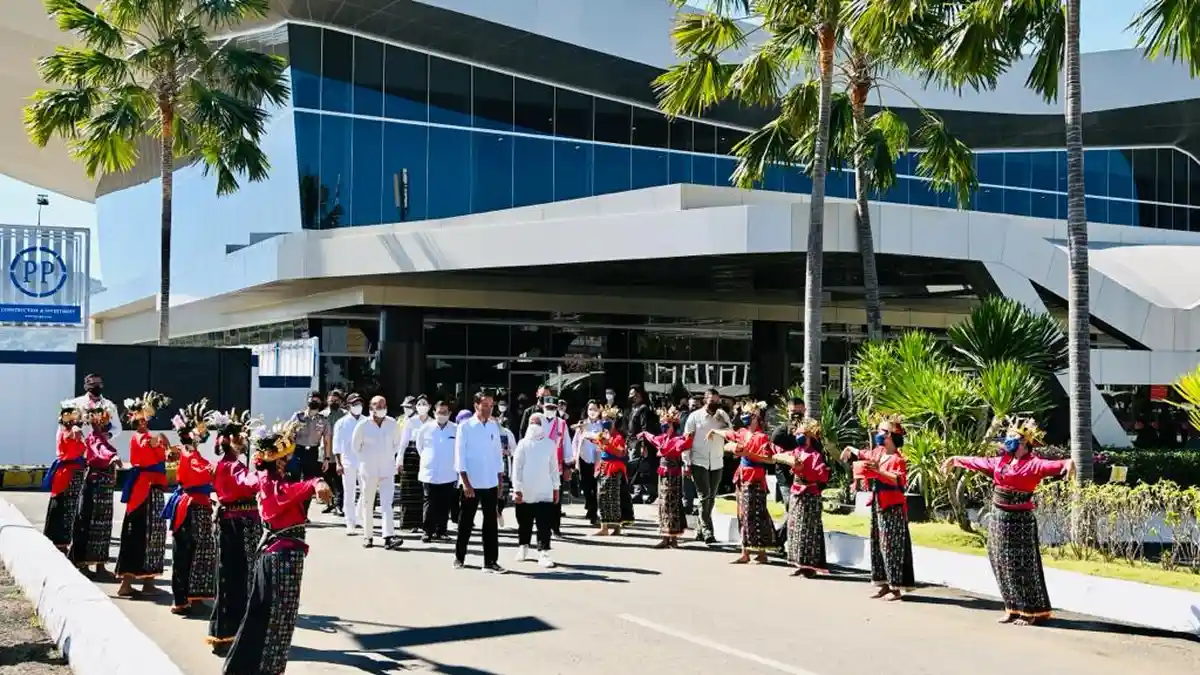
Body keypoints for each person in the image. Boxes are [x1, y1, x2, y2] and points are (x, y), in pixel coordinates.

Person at [222, 420, 333, 675]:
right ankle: (268, 670)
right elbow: (289, 493)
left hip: (276, 554)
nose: (289, 461)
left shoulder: (266, 478)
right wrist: (316, 482)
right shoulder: (274, 485)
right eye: (286, 457)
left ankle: (255, 668)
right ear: (279, 461)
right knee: (278, 618)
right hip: (282, 557)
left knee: (267, 615)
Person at [943, 418, 1073, 625]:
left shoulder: (1034, 464)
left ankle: (1031, 611)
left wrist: (1068, 464)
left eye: (1013, 437)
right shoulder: (1001, 462)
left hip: (1019, 521)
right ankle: (1012, 607)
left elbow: (1056, 465)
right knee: (1000, 562)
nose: (1007, 441)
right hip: (998, 518)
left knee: (1021, 565)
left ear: (1024, 442)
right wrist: (957, 459)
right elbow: (979, 462)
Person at [206, 409, 261, 655]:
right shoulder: (234, 467)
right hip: (240, 525)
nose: (245, 441)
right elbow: (251, 485)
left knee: (229, 577)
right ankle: (235, 634)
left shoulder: (223, 464)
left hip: (230, 523)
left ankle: (224, 633)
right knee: (242, 577)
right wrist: (263, 469)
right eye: (242, 437)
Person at [841, 415, 914, 601]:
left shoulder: (897, 459)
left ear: (890, 435)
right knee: (877, 544)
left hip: (892, 506)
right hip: (878, 503)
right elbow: (863, 454)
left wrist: (877, 472)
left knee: (891, 546)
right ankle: (883, 584)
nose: (878, 434)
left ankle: (895, 587)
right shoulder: (879, 453)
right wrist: (850, 448)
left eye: (882, 431)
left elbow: (897, 479)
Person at [162, 400, 218, 615]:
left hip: (198, 506)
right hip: (191, 507)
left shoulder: (193, 454)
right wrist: (213, 471)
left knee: (199, 553)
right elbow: (198, 468)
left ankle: (192, 597)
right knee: (186, 553)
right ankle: (183, 599)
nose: (202, 436)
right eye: (200, 433)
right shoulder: (186, 453)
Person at [116, 391, 174, 598]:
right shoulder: (141, 438)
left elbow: (164, 451)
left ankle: (148, 582)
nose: (143, 421)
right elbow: (149, 443)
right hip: (144, 489)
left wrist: (165, 446)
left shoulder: (149, 436)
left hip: (152, 487)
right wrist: (160, 441)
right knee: (138, 533)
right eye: (139, 418)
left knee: (153, 533)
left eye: (144, 418)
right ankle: (127, 583)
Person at [710, 400, 776, 563]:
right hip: (742, 477)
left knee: (757, 514)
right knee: (742, 514)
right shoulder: (742, 432)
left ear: (756, 417)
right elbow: (729, 435)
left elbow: (770, 459)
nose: (745, 417)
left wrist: (749, 454)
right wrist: (714, 431)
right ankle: (745, 552)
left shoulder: (762, 437)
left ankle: (762, 552)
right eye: (744, 415)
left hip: (756, 477)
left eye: (749, 415)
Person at [453, 391, 506, 573]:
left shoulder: (493, 427)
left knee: (490, 523)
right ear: (476, 405)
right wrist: (466, 483)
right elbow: (460, 457)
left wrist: (500, 481)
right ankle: (459, 557)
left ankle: (490, 561)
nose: (489, 409)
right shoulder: (465, 427)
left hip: (490, 481)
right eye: (485, 406)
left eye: (491, 406)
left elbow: (497, 455)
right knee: (466, 521)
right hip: (471, 483)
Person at [68, 403, 122, 577]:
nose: (103, 424)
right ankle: (83, 563)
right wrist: (113, 456)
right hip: (95, 485)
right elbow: (100, 452)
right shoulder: (92, 438)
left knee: (104, 526)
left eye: (105, 421)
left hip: (104, 487)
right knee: (89, 522)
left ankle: (100, 564)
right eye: (100, 421)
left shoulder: (102, 438)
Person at [352, 396, 404, 550]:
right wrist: (368, 458)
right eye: (376, 405)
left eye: (383, 405)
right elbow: (356, 447)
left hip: (387, 470)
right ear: (370, 407)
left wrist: (386, 457)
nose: (380, 407)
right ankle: (368, 536)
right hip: (368, 470)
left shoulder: (392, 424)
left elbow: (397, 444)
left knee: (387, 504)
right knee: (368, 504)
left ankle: (388, 536)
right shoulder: (363, 425)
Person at [512, 412, 561, 568]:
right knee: (524, 522)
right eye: (531, 423)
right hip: (526, 491)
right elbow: (517, 467)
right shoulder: (523, 444)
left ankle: (544, 552)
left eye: (537, 423)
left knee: (544, 524)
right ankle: (523, 547)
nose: (534, 426)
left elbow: (553, 468)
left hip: (544, 491)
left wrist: (556, 487)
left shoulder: (550, 444)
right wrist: (517, 488)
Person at [638, 407, 692, 548]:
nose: (664, 426)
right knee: (663, 505)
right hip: (662, 475)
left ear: (673, 425)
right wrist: (644, 433)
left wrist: (689, 438)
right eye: (662, 424)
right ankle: (665, 537)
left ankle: (673, 538)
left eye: (666, 424)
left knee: (672, 505)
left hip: (673, 475)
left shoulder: (677, 439)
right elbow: (652, 438)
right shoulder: (662, 438)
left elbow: (684, 445)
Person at [683, 388, 730, 545]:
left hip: (717, 461)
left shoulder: (721, 416)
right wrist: (687, 462)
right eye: (711, 401)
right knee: (704, 495)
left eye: (717, 401)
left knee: (711, 498)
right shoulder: (694, 417)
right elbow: (686, 441)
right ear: (705, 400)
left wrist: (722, 423)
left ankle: (699, 530)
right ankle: (708, 531)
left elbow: (731, 433)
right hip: (699, 460)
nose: (714, 404)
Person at [786, 418, 830, 576]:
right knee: (795, 528)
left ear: (810, 436)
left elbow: (822, 476)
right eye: (797, 434)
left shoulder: (816, 455)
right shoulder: (796, 452)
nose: (799, 437)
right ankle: (799, 562)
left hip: (809, 494)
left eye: (802, 434)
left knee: (808, 529)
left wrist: (804, 471)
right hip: (795, 493)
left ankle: (810, 566)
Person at [43, 401, 87, 553]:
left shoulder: (74, 431)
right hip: (67, 472)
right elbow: (69, 449)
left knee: (70, 507)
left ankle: (63, 542)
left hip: (75, 472)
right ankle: (58, 542)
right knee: (62, 505)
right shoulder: (66, 432)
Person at [416, 400, 458, 543]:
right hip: (430, 471)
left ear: (450, 414)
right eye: (439, 412)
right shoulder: (425, 428)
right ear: (434, 413)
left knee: (444, 503)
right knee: (429, 501)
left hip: (448, 472)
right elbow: (419, 447)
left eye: (445, 413)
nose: (442, 415)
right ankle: (427, 531)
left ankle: (442, 531)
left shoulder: (455, 429)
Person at [585, 406, 628, 536]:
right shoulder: (603, 434)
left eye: (608, 419)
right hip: (604, 467)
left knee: (613, 497)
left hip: (614, 468)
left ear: (614, 421)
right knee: (602, 496)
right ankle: (605, 527)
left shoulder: (618, 436)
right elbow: (598, 442)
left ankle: (615, 527)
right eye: (603, 419)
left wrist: (607, 444)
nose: (605, 421)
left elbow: (620, 452)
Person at [289, 391, 329, 516]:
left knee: (308, 485)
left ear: (321, 402)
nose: (314, 401)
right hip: (297, 451)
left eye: (317, 400)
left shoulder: (323, 420)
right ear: (307, 400)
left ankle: (303, 514)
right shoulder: (298, 416)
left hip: (312, 453)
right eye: (312, 399)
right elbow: (288, 434)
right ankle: (293, 512)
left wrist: (326, 459)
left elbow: (327, 440)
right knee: (294, 483)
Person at [538, 396, 573, 537]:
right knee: (541, 497)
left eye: (553, 408)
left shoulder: (561, 424)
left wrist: (568, 466)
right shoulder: (537, 421)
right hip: (540, 465)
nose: (551, 410)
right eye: (548, 408)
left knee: (556, 499)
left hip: (556, 466)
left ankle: (555, 527)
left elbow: (567, 445)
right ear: (543, 408)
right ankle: (542, 526)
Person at [396, 395, 431, 532]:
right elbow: (403, 442)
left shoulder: (432, 422)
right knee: (410, 490)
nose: (422, 406)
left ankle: (424, 522)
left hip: (426, 456)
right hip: (410, 456)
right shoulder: (410, 422)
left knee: (424, 491)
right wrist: (399, 459)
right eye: (419, 403)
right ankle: (409, 523)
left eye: (425, 403)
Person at [332, 393, 366, 533]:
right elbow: (337, 445)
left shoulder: (367, 421)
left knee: (366, 492)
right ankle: (350, 522)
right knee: (349, 492)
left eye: (359, 403)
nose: (357, 406)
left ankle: (360, 517)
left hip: (365, 462)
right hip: (348, 461)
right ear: (348, 406)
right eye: (354, 404)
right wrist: (338, 463)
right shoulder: (341, 423)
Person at [572, 400, 603, 526]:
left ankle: (593, 512)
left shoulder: (602, 425)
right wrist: (574, 458)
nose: (592, 412)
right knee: (585, 486)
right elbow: (575, 442)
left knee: (595, 488)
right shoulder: (582, 424)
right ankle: (590, 507)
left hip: (597, 459)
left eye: (595, 409)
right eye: (590, 409)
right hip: (583, 458)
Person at [625, 385, 658, 504]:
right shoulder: (633, 409)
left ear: (639, 395)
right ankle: (638, 492)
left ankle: (649, 492)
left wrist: (644, 445)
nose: (631, 397)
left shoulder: (643, 409)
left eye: (633, 394)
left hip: (639, 442)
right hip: (631, 441)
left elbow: (644, 427)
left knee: (641, 468)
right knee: (635, 468)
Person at [69, 373, 120, 438]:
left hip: (100, 445)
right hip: (81, 444)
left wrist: (109, 435)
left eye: (99, 384)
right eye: (93, 384)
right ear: (86, 386)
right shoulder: (76, 403)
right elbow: (65, 424)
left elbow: (117, 427)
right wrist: (73, 427)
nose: (97, 386)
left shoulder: (109, 405)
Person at [321, 390, 347, 515]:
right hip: (324, 452)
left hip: (339, 453)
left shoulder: (345, 415)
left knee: (338, 481)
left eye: (336, 401)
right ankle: (330, 503)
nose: (333, 403)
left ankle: (339, 505)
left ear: (341, 402)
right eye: (331, 401)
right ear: (327, 401)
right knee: (326, 479)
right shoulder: (322, 415)